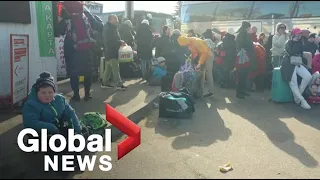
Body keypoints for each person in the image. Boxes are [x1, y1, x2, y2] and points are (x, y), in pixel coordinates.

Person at [56, 3, 95, 101]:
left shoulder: (66, 19)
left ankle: (76, 95)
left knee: (74, 73)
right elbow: (97, 26)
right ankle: (87, 94)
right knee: (87, 73)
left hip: (72, 50)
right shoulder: (85, 16)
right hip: (86, 49)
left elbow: (59, 31)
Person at [280, 28, 312, 110]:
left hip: (297, 62)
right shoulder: (289, 42)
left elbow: (299, 53)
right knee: (293, 83)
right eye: (298, 33)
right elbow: (291, 52)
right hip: (288, 64)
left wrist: (297, 42)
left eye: (300, 33)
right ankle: (302, 100)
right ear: (293, 34)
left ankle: (297, 97)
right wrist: (294, 41)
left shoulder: (300, 42)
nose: (299, 35)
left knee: (308, 76)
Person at [101, 14, 127, 90]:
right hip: (111, 51)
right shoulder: (109, 28)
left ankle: (104, 83)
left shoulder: (110, 27)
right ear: (110, 20)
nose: (117, 20)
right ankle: (119, 84)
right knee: (115, 68)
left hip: (109, 51)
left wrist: (119, 41)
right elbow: (110, 41)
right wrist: (119, 42)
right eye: (115, 19)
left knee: (108, 68)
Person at [235, 21, 256, 99]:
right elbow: (244, 45)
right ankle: (239, 92)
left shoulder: (243, 34)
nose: (250, 29)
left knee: (244, 75)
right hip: (243, 57)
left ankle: (242, 91)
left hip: (245, 57)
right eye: (249, 27)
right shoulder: (243, 35)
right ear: (247, 27)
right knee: (241, 75)